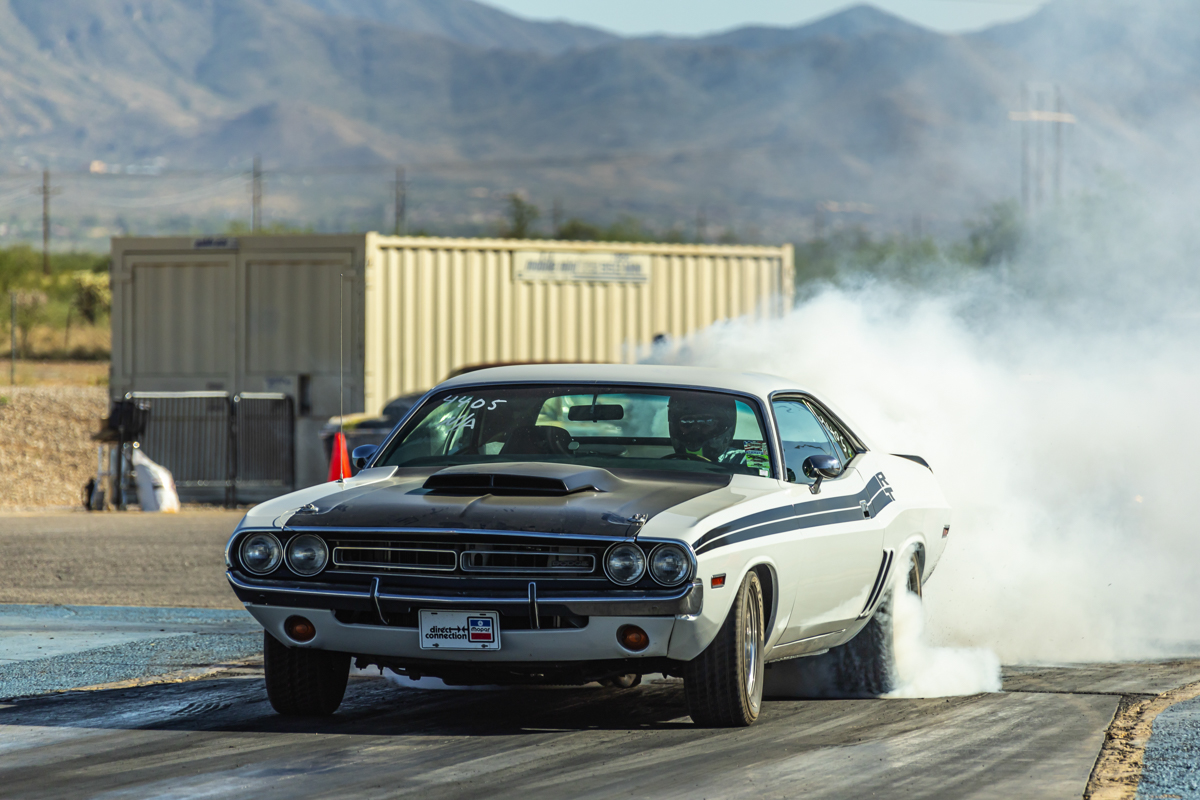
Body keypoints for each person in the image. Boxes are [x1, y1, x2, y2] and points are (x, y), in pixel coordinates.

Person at [666, 393, 771, 474]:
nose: (696, 429)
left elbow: (767, 483)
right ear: (676, 427)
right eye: (687, 422)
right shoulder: (665, 465)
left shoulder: (750, 456)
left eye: (706, 422)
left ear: (722, 425)